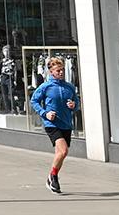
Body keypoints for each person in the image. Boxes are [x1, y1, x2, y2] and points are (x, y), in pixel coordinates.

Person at [29, 57, 78, 194]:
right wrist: (45, 113)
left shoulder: (69, 87)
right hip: (52, 123)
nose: (61, 72)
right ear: (51, 72)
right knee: (63, 151)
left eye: (62, 70)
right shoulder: (46, 87)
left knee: (60, 154)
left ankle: (52, 178)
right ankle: (53, 176)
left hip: (66, 124)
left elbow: (76, 103)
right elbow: (34, 101)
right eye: (58, 70)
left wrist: (73, 106)